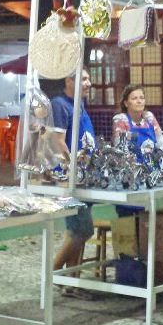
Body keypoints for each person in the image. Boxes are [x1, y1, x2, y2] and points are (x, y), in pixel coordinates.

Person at [51, 70, 95, 299]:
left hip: (85, 178)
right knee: (81, 229)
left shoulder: (80, 105)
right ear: (69, 81)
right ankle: (53, 274)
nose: (89, 83)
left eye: (88, 79)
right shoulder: (59, 105)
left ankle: (71, 283)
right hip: (67, 178)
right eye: (84, 79)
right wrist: (70, 168)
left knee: (79, 231)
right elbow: (58, 142)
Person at [112, 84, 163, 217]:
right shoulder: (121, 120)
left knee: (148, 221)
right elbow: (120, 149)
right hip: (131, 175)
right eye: (134, 98)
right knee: (130, 220)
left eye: (142, 98)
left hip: (151, 176)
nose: (139, 101)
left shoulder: (149, 118)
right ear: (126, 103)